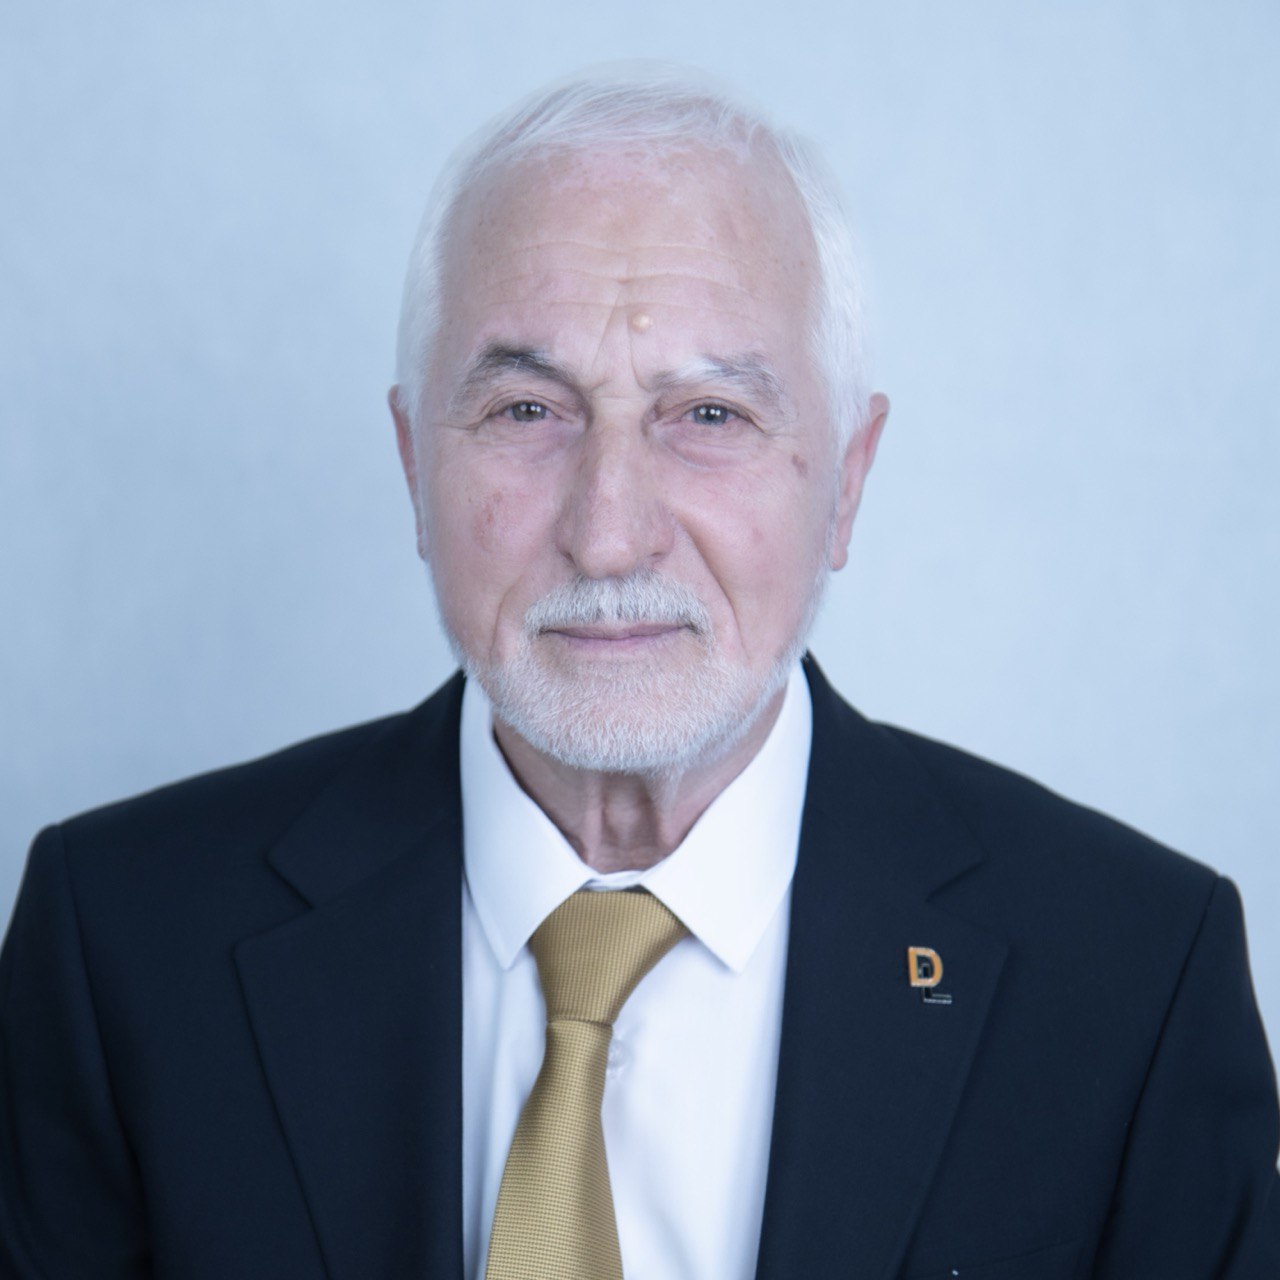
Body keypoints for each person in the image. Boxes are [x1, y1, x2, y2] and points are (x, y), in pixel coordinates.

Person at [2, 69, 1277, 1280]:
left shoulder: (1131, 981)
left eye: (709, 415)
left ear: (846, 479)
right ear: (411, 463)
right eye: (526, 410)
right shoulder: (119, 943)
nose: (608, 531)